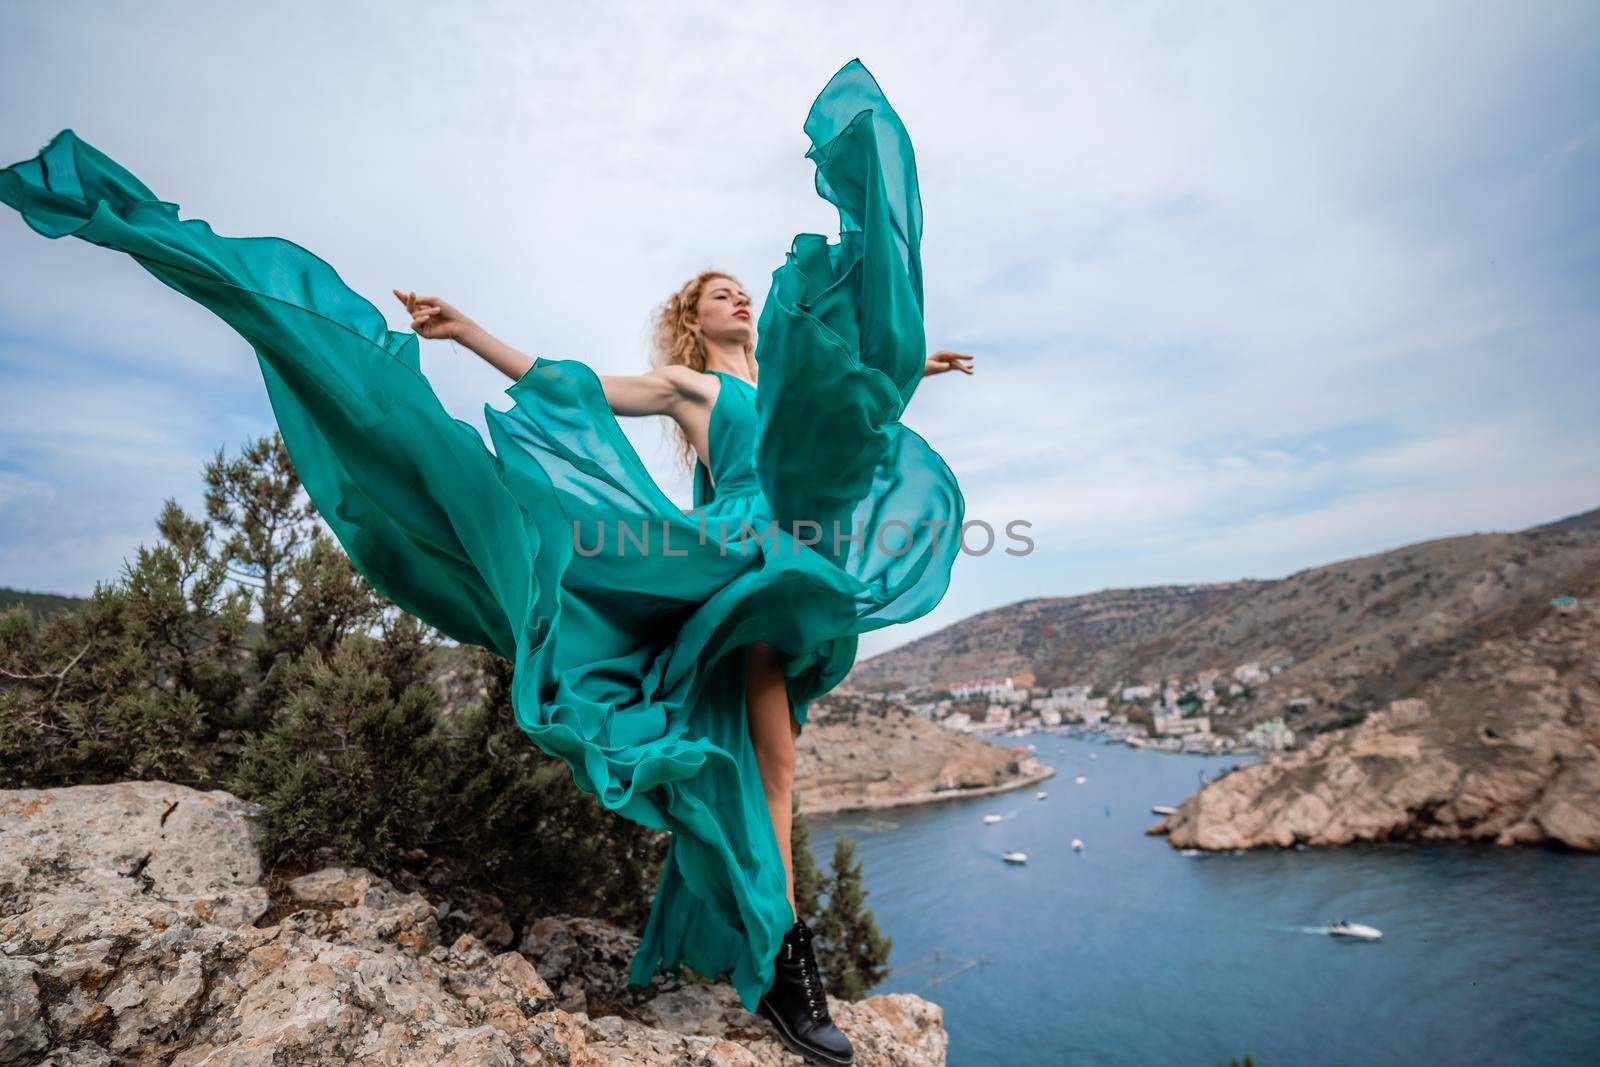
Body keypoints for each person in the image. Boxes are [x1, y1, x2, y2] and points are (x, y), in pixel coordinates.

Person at [1, 58, 966, 1067]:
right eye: (721, 293)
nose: (739, 298)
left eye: (742, 292)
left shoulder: (783, 376)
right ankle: (784, 965)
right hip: (728, 565)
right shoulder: (689, 384)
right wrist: (469, 335)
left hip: (788, 558)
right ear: (697, 318)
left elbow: (841, 405)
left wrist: (915, 366)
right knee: (755, 756)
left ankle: (774, 957)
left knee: (771, 763)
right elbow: (578, 383)